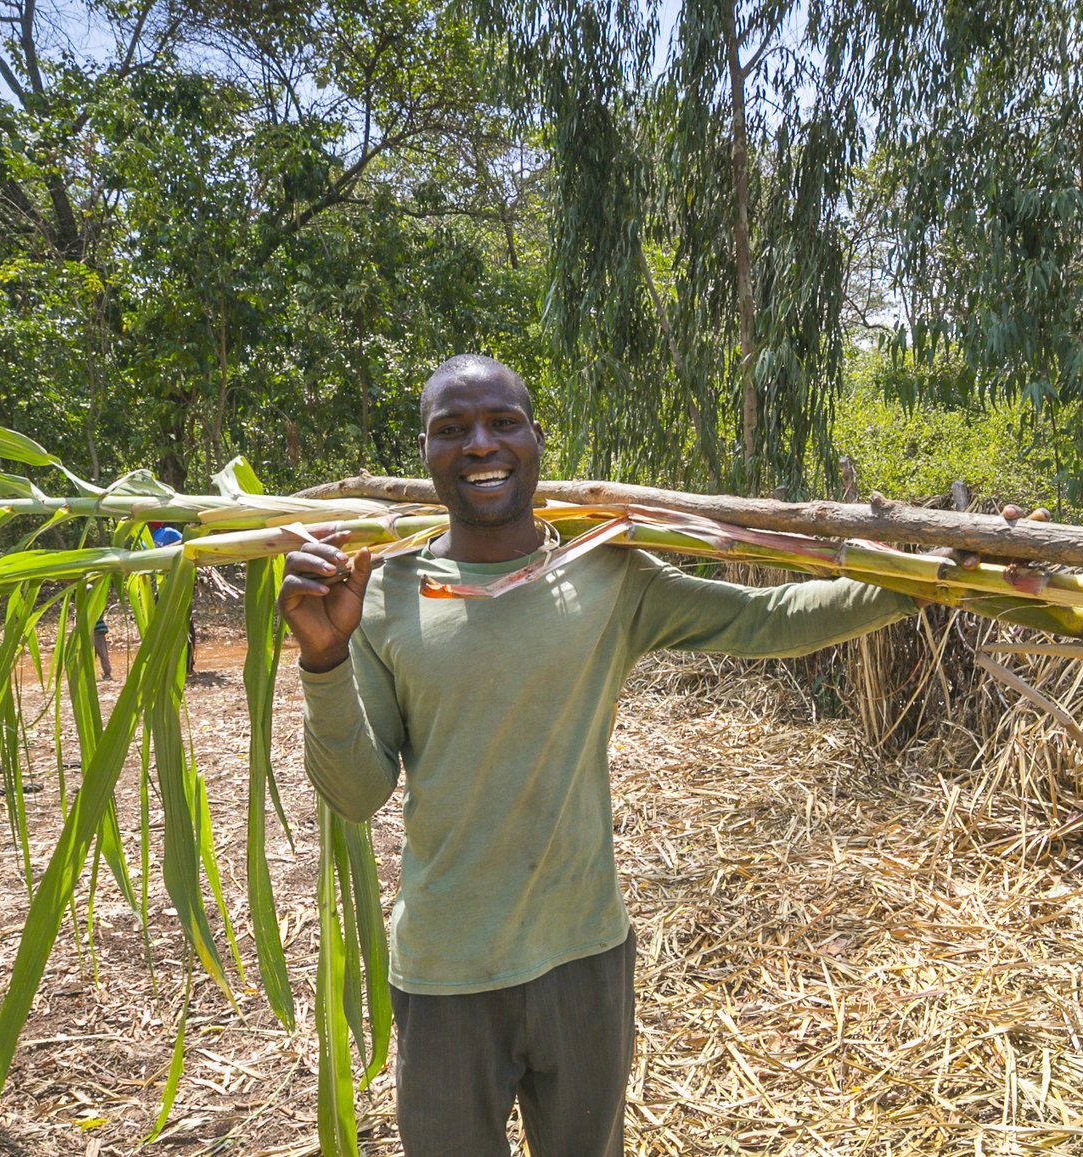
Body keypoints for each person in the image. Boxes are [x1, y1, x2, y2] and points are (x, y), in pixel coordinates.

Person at [279, 355, 918, 1157]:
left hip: (582, 956)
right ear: (426, 452)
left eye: (501, 422)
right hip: (445, 971)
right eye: (453, 429)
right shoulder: (378, 591)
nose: (480, 444)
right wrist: (323, 661)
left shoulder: (604, 571)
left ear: (536, 438)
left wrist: (926, 581)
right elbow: (355, 791)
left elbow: (771, 619)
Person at [149, 521, 198, 677]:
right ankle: (167, 663)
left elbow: (188, 545)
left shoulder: (169, 532)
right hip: (162, 587)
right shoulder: (146, 539)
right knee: (162, 626)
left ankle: (188, 664)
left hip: (178, 583)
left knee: (184, 624)